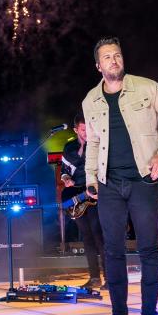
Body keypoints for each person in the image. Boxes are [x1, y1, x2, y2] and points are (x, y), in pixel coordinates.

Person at [82, 37, 158, 315]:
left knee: (148, 250)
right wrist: (91, 178)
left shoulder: (147, 87)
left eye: (117, 55)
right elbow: (94, 142)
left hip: (143, 180)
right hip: (109, 185)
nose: (113, 60)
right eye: (107, 57)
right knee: (112, 252)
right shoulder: (90, 100)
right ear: (98, 65)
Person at [61, 114, 105, 289]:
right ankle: (94, 277)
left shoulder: (98, 144)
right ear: (76, 130)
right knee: (86, 237)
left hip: (94, 193)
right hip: (77, 196)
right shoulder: (69, 147)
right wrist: (66, 179)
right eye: (83, 129)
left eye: (89, 128)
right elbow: (64, 170)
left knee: (98, 235)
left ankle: (109, 278)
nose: (86, 132)